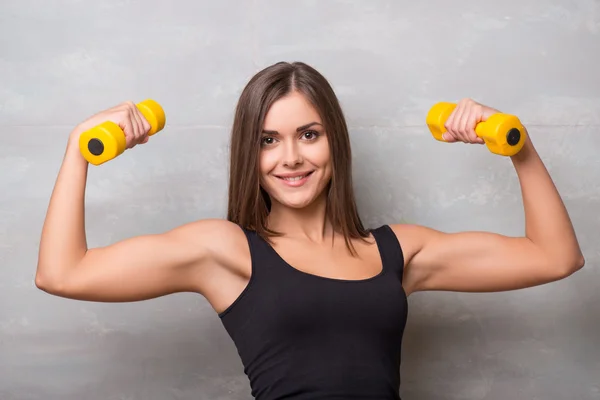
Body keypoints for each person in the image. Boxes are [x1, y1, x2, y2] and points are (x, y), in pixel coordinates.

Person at [35, 61, 585, 399]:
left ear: (334, 142)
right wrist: (76, 152)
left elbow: (555, 256)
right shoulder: (227, 251)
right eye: (268, 140)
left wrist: (521, 148)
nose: (291, 157)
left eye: (309, 134)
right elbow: (62, 273)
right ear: (248, 154)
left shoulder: (398, 251)